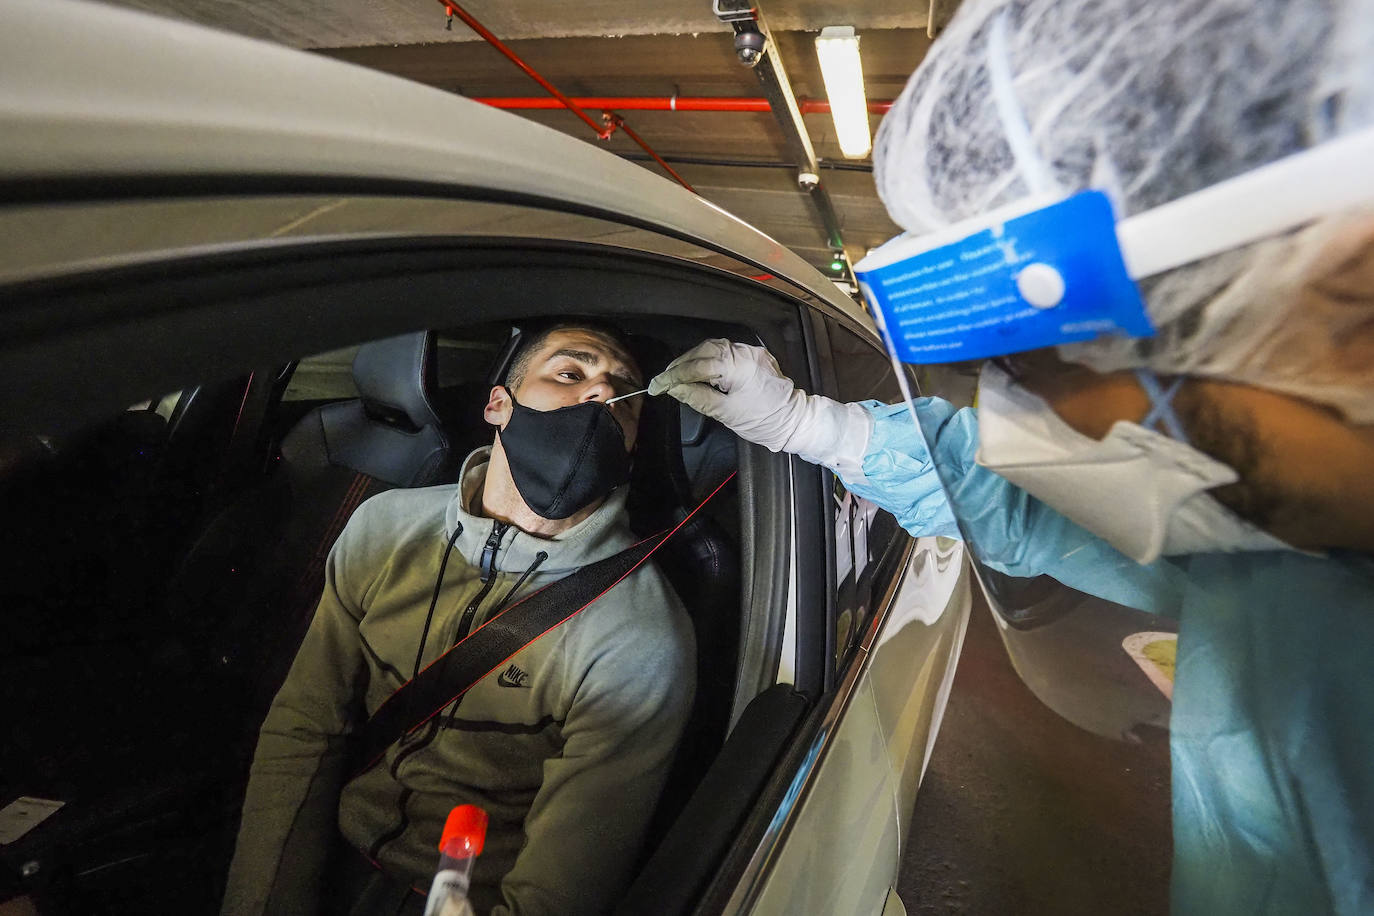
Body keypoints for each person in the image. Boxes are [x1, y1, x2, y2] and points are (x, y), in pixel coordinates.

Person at [650, 1, 1374, 913]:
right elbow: (1028, 506)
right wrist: (814, 431)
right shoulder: (1285, 555)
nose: (1039, 413)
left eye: (1044, 357)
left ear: (1337, 279)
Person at [222, 322, 695, 916]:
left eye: (621, 392)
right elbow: (305, 726)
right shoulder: (384, 529)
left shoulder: (639, 633)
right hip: (334, 859)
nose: (600, 394)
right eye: (571, 373)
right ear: (499, 404)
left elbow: (562, 886)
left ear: (631, 442)